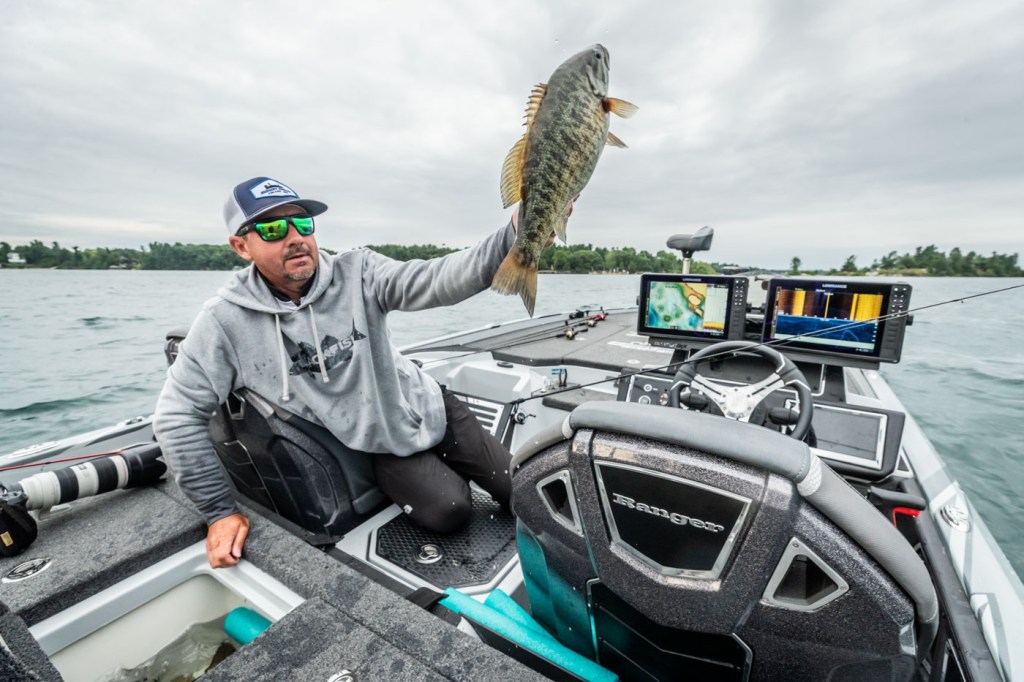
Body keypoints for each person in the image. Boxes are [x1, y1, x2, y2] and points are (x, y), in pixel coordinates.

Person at [154, 177, 523, 568]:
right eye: (273, 229)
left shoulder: (358, 271)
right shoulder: (224, 323)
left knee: (520, 490)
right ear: (241, 246)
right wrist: (219, 511)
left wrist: (513, 234)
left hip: (427, 405)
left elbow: (436, 280)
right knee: (451, 512)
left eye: (303, 223)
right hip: (377, 442)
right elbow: (177, 416)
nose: (296, 238)